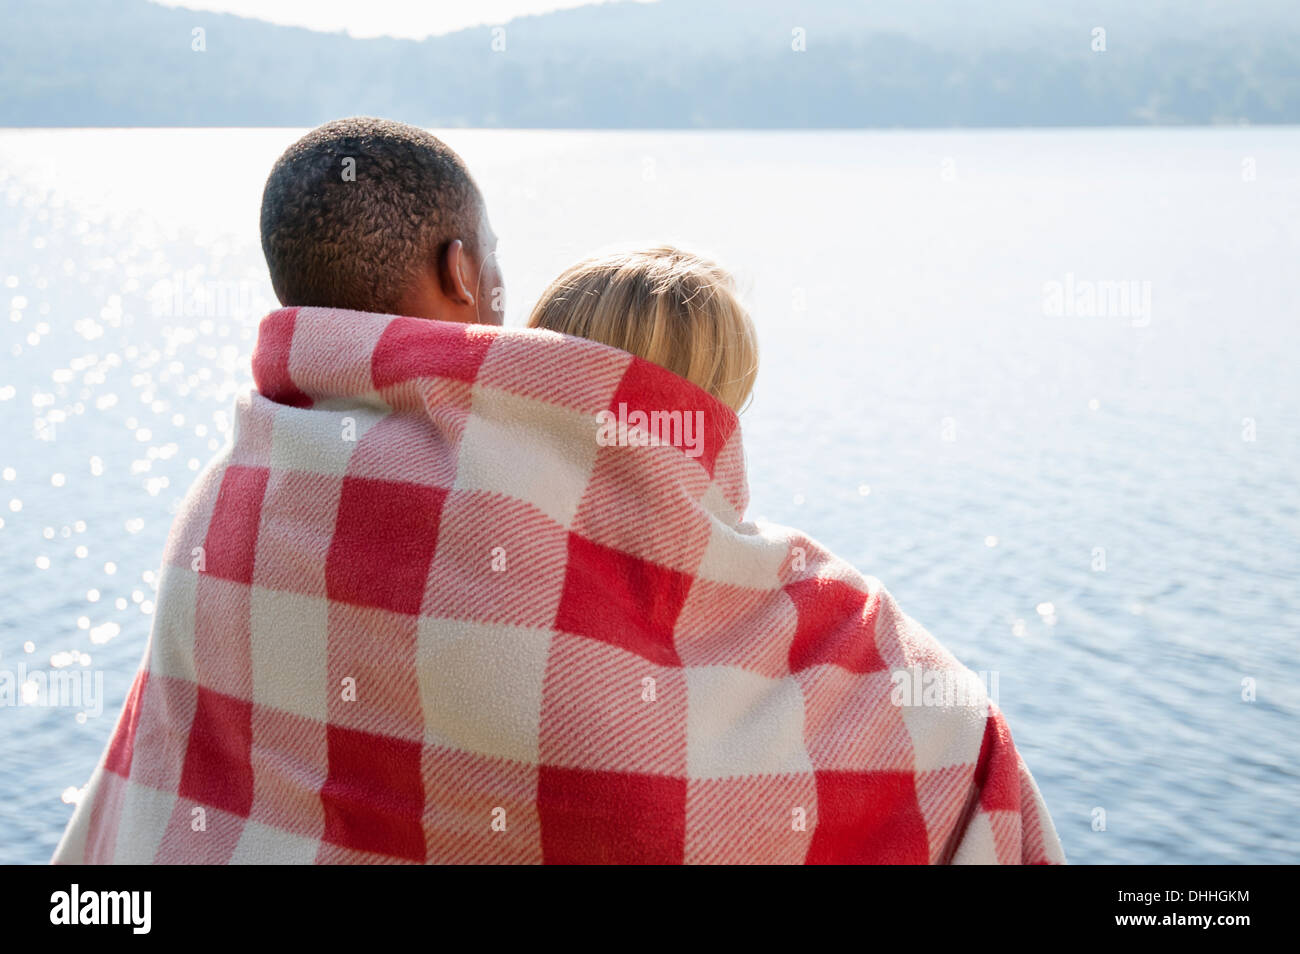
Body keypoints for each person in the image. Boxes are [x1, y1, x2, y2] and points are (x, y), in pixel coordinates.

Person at [53, 117, 1064, 865]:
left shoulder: (230, 494)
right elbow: (935, 751)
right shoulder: (531, 509)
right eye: (493, 264)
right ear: (461, 270)